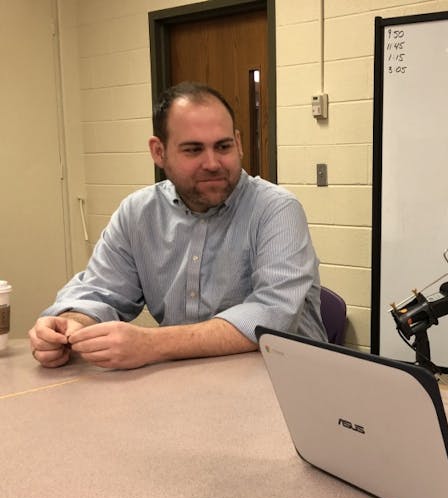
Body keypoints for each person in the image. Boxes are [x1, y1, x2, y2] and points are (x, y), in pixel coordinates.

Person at [29, 82, 326, 369]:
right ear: (159, 152)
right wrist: (70, 323)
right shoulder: (138, 213)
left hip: (284, 382)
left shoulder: (276, 209)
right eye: (193, 150)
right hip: (186, 384)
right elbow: (100, 291)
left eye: (223, 146)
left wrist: (152, 344)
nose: (212, 163)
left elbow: (272, 314)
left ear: (238, 143)